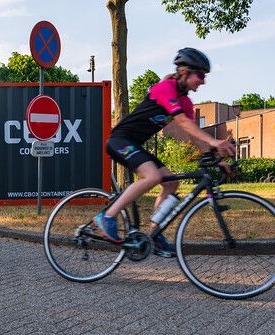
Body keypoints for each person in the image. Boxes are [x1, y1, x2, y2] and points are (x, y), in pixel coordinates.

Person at [93, 48, 235, 257]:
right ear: (185, 72)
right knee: (153, 176)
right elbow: (182, 121)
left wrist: (214, 159)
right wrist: (214, 140)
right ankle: (107, 217)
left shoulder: (185, 102)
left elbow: (194, 134)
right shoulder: (164, 88)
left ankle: (155, 234)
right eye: (201, 75)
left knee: (170, 182)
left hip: (135, 145)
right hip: (120, 140)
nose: (203, 81)